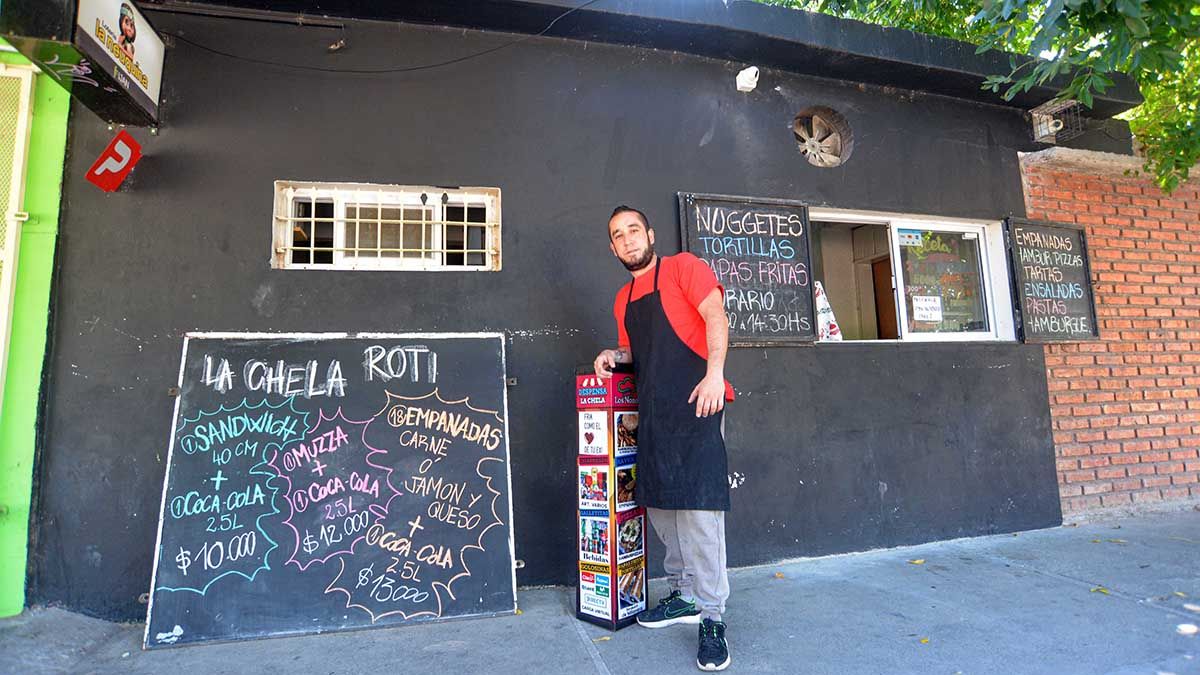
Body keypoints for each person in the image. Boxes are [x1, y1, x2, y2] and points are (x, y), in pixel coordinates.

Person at [593, 205, 734, 672]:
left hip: (697, 404)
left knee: (697, 511)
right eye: (619, 235)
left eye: (634, 230)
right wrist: (613, 355)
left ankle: (713, 617)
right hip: (651, 415)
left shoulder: (684, 269)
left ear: (650, 234)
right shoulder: (623, 298)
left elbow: (715, 315)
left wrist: (715, 375)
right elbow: (637, 352)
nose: (629, 239)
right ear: (612, 247)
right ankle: (683, 595)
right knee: (660, 508)